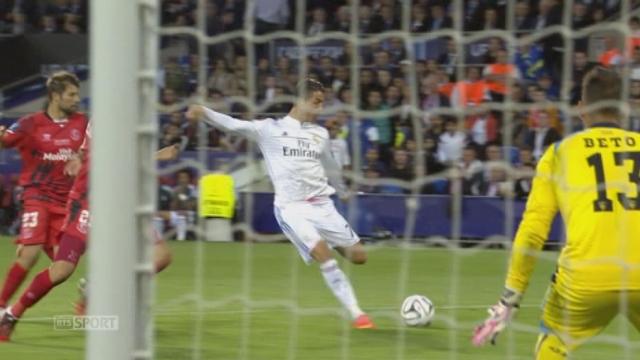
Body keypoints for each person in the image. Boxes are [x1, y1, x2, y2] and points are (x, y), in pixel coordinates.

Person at [472, 67, 640, 358]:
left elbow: (534, 229)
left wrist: (511, 296)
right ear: (624, 109)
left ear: (581, 109)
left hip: (585, 278)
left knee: (553, 343)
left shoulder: (560, 153)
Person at [185, 78, 374, 329]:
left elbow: (331, 168)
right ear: (300, 100)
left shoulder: (320, 134)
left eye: (322, 103)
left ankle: (327, 239)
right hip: (292, 208)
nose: (320, 109)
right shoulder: (270, 129)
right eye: (316, 102)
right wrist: (203, 111)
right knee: (324, 255)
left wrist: (343, 192)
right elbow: (232, 125)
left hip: (323, 206)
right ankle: (357, 314)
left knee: (359, 257)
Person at [0, 127, 178, 341]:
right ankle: (11, 315)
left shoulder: (136, 116)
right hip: (88, 201)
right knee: (62, 269)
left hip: (123, 201)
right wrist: (157, 156)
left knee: (161, 256)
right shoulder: (108, 115)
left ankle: (99, 288)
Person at [0, 71, 88, 312]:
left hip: (67, 204)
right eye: (71, 94)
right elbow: (5, 140)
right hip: (36, 195)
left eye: (77, 94)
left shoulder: (83, 123)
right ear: (55, 96)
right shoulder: (30, 123)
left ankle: (89, 292)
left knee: (63, 269)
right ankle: (1, 307)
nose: (77, 99)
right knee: (30, 253)